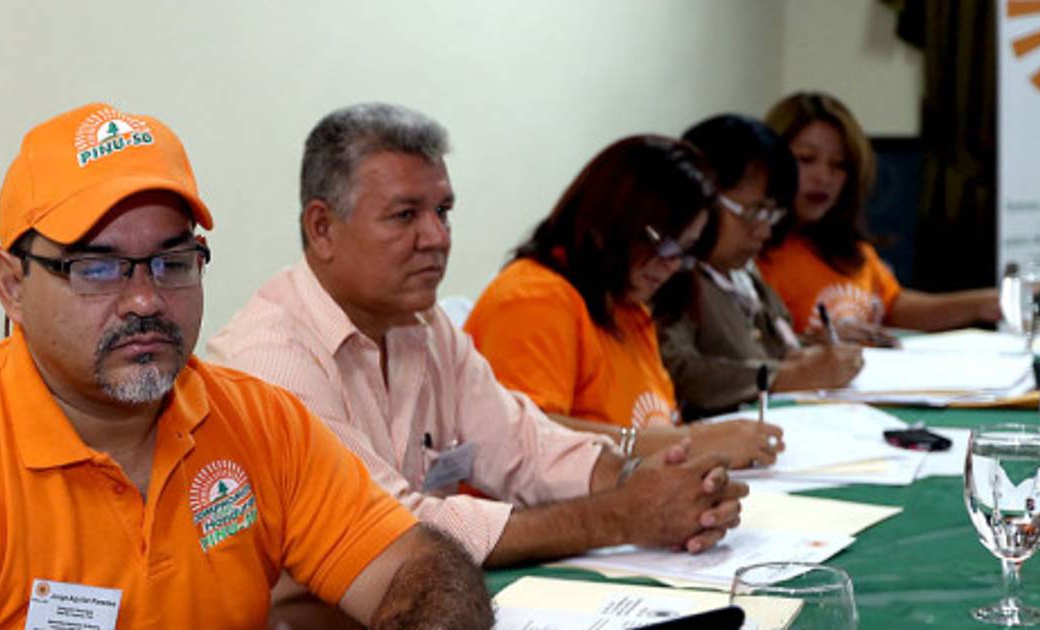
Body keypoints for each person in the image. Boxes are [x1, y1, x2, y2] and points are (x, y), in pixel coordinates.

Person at [0, 103, 492, 629]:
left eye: (173, 261)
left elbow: (421, 570)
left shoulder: (260, 424)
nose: (145, 300)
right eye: (97, 268)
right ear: (11, 286)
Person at [209, 104, 747, 576]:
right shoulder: (269, 361)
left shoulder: (423, 325)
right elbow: (394, 528)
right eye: (405, 215)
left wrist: (650, 481)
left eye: (443, 212)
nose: (437, 237)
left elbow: (524, 446)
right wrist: (621, 514)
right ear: (322, 228)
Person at [464, 134, 784, 468]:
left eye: (684, 251)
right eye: (664, 244)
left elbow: (658, 424)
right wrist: (690, 443)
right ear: (611, 222)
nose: (671, 266)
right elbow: (525, 438)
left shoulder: (629, 307)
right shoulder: (536, 298)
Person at [654, 114, 865, 417]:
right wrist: (786, 377)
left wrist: (811, 353)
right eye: (753, 212)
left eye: (772, 215)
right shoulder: (669, 278)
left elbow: (777, 344)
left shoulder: (743, 276)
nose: (764, 231)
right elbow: (677, 369)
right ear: (702, 196)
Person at [756, 92, 1000, 344]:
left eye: (839, 165)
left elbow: (893, 306)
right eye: (806, 159)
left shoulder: (851, 250)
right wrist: (814, 343)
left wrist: (983, 304)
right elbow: (745, 350)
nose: (824, 177)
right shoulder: (751, 253)